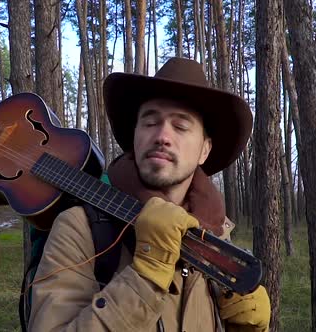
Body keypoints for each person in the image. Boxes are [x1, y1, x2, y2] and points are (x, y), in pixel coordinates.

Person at [27, 57, 271, 331]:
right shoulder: (80, 227)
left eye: (180, 126)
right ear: (135, 137)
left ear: (205, 150)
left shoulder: (216, 237)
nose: (162, 136)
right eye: (150, 122)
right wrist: (146, 275)